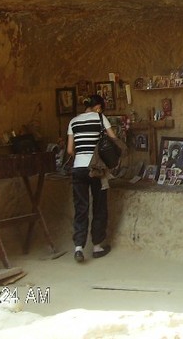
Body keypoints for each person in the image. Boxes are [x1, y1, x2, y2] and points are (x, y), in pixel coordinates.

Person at [66, 94, 115, 263]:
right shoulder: (101, 118)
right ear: (99, 107)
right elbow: (113, 140)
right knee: (99, 206)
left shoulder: (73, 121)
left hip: (78, 169)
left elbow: (70, 150)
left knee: (81, 207)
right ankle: (97, 247)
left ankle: (78, 247)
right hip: (97, 169)